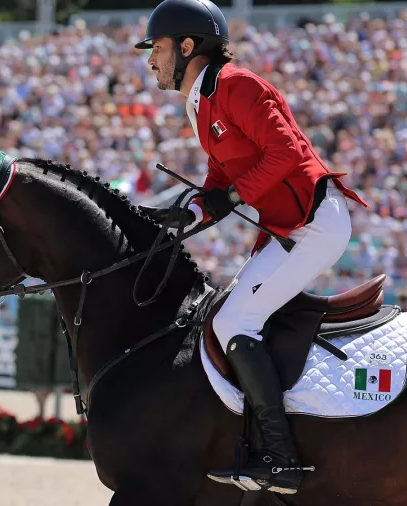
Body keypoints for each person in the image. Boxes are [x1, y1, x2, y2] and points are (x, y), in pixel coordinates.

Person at [135, 0, 370, 494]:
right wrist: (192, 212)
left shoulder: (237, 84)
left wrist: (231, 196)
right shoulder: (201, 101)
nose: (151, 61)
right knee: (227, 315)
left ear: (186, 46)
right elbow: (222, 177)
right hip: (289, 228)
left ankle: (282, 459)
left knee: (234, 320)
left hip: (314, 221)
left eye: (156, 48)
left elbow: (284, 150)